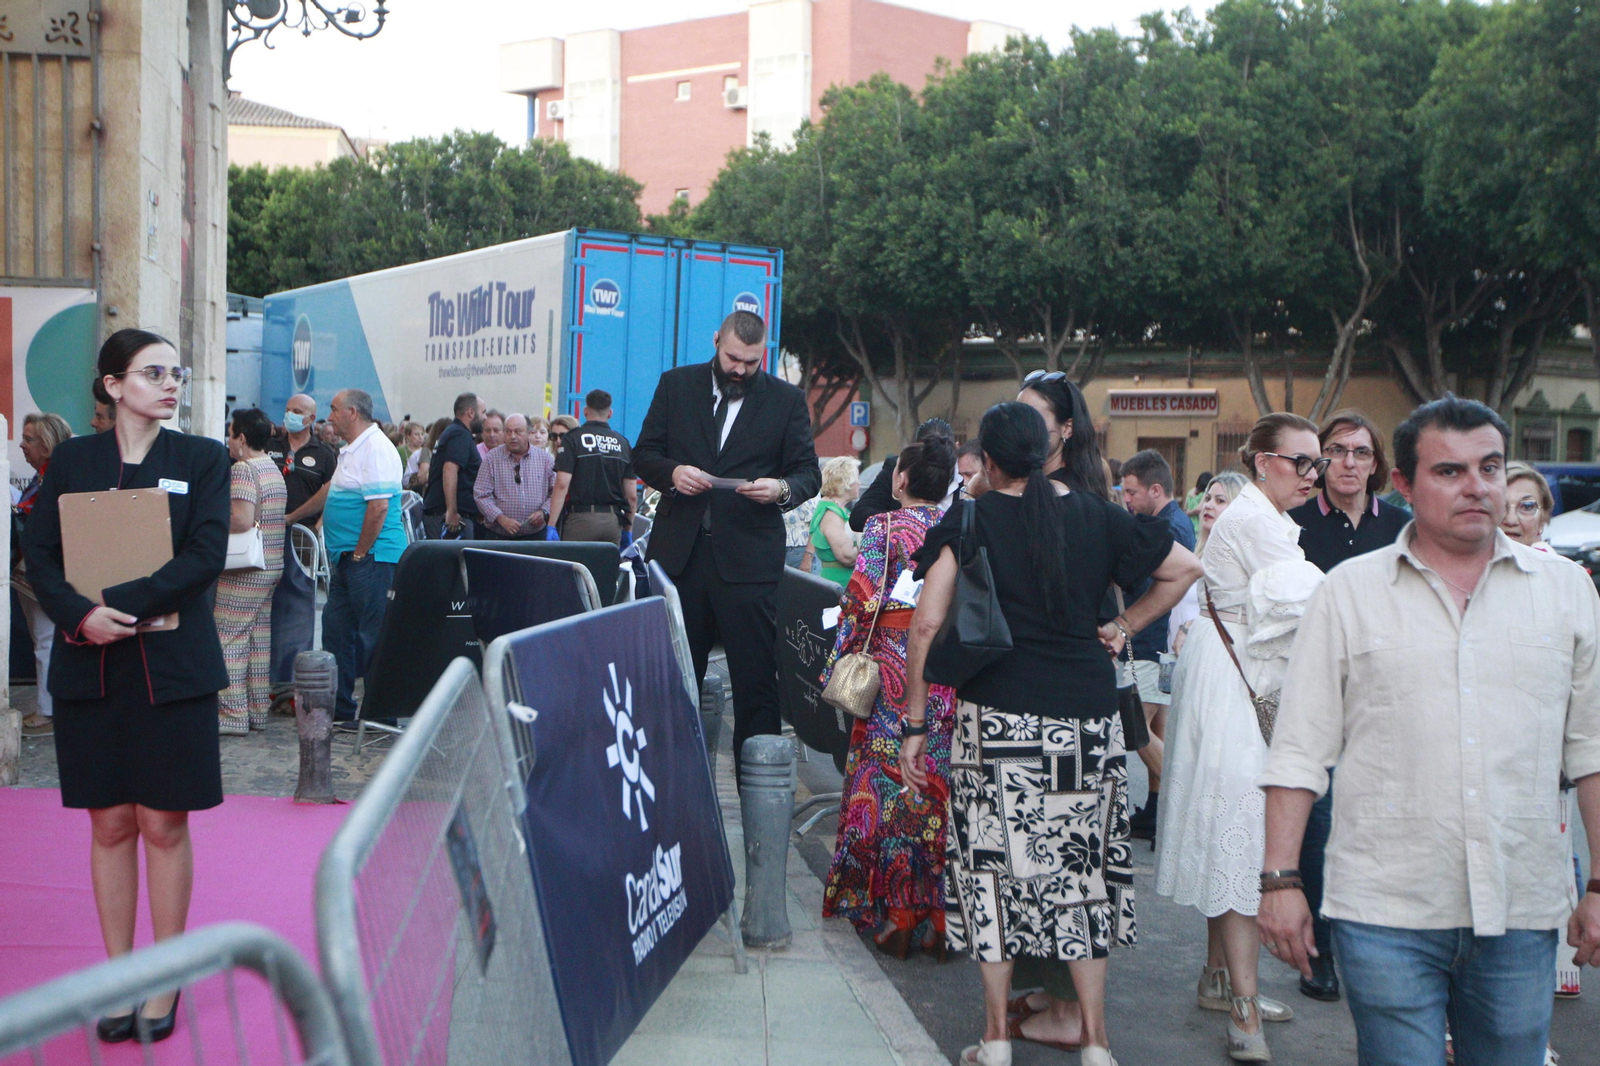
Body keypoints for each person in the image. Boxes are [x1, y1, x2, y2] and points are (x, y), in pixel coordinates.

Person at [1258, 395, 1600, 1066]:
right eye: (1449, 472)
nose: (1476, 486)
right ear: (1406, 487)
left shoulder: (1566, 593)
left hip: (1521, 904)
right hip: (1386, 906)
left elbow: (1591, 750)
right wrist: (1280, 882)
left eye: (1490, 467)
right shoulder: (1348, 594)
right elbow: (1299, 750)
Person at [899, 401, 1200, 1066]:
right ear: (1051, 449)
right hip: (1086, 726)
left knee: (992, 872)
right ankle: (1095, 1041)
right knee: (1078, 874)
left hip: (998, 721)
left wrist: (916, 722)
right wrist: (1123, 627)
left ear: (993, 460)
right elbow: (1184, 569)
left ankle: (997, 1038)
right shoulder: (1100, 514)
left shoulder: (972, 517)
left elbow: (925, 623)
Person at [23, 328, 230, 1044]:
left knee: (163, 823)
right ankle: (120, 975)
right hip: (90, 662)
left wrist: (128, 602)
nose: (170, 383)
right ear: (113, 386)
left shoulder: (201, 458)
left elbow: (207, 552)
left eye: (175, 372)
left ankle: (162, 979)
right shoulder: (73, 459)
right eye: (152, 372)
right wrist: (82, 615)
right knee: (109, 823)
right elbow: (40, 553)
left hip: (173, 668)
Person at [1155, 412, 1328, 1062]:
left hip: (1228, 684)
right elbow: (1316, 609)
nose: (1312, 474)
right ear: (1262, 461)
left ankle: (1222, 981)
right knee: (1241, 840)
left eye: (1316, 462)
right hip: (1233, 691)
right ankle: (1243, 1011)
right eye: (1301, 462)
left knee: (1233, 832)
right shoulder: (1256, 520)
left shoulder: (1268, 518)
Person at [633, 309, 821, 779]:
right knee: (670, 683)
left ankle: (758, 803)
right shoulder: (676, 386)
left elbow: (808, 474)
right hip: (679, 560)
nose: (739, 370)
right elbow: (645, 454)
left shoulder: (786, 400)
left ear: (765, 356)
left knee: (757, 690)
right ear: (716, 341)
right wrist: (673, 473)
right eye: (733, 358)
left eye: (751, 363)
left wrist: (779, 490)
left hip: (749, 566)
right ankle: (663, 792)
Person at [1283, 409, 1409, 1002]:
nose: (1350, 462)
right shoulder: (1294, 525)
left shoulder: (1406, 527)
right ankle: (1324, 953)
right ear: (1321, 461)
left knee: (1390, 823)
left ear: (1378, 462)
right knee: (1323, 827)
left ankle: (1386, 948)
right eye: (1337, 451)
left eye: (1362, 451)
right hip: (1321, 699)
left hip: (1394, 700)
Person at [820, 433, 959, 957]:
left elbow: (861, 602)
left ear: (900, 480)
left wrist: (840, 663)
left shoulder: (881, 526)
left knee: (878, 791)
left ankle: (885, 909)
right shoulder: (955, 530)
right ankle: (936, 918)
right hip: (939, 677)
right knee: (929, 790)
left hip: (887, 671)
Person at [1118, 450, 1199, 842]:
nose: (1127, 500)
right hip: (1161, 643)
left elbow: (1150, 584)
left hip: (1154, 643)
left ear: (1155, 489)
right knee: (1154, 726)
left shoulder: (1169, 528)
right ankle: (1155, 811)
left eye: (1131, 492)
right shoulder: (1170, 522)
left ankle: (1188, 802)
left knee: (1132, 726)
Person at [320, 389, 408, 722]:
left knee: (375, 637)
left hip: (374, 559)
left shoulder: (376, 448)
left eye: (334, 410)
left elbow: (380, 506)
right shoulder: (351, 450)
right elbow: (332, 492)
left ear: (352, 413)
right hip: (351, 560)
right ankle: (342, 712)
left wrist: (359, 553)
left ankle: (379, 716)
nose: (330, 417)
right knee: (336, 632)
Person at [263, 393, 339, 710]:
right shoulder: (271, 446)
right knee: (267, 605)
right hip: (267, 533)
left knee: (298, 607)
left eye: (297, 412)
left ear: (310, 418)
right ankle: (264, 683)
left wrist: (319, 523)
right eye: (287, 410)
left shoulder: (323, 454)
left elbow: (333, 491)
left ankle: (291, 685)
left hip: (302, 537)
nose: (290, 415)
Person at [215, 409, 287, 735]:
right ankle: (257, 711)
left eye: (230, 434)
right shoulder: (272, 467)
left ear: (242, 438)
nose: (228, 441)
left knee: (228, 637)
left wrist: (209, 519)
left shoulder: (243, 469)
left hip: (244, 569)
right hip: (271, 565)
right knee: (258, 639)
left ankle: (232, 715)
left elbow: (242, 519)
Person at [15, 413, 74, 736]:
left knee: (45, 639)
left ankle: (47, 710)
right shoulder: (44, 476)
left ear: (48, 443)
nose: (22, 446)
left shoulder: (51, 479)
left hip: (45, 572)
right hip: (43, 570)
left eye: (30, 439)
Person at [549, 389, 638, 545]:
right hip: (612, 522)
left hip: (581, 520)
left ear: (585, 411)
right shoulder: (623, 443)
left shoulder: (573, 438)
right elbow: (631, 495)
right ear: (610, 413)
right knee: (605, 569)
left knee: (576, 567)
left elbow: (562, 484)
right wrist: (627, 530)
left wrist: (551, 525)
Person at [851, 418, 959, 531]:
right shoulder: (897, 468)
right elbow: (859, 516)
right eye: (928, 455)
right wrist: (905, 520)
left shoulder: (968, 476)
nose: (936, 461)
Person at [474, 413, 555, 540]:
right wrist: (501, 518)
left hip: (535, 536)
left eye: (518, 432)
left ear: (529, 433)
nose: (513, 437)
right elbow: (481, 495)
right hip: (499, 536)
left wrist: (544, 512)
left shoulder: (545, 460)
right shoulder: (491, 459)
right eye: (508, 432)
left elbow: (555, 493)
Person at [423, 392, 484, 539]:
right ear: (471, 412)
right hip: (448, 520)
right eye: (483, 412)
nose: (485, 418)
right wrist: (451, 511)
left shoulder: (454, 432)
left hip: (443, 515)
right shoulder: (459, 434)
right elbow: (450, 469)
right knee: (453, 561)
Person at [811, 456, 861, 585]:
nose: (859, 483)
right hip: (840, 583)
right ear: (846, 482)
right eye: (856, 478)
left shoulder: (836, 509)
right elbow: (847, 556)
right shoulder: (831, 513)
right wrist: (872, 548)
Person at [1502, 460, 1554, 550]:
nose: (1511, 520)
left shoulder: (1552, 563)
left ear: (1542, 521)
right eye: (1501, 505)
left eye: (1527, 506)